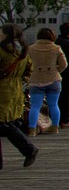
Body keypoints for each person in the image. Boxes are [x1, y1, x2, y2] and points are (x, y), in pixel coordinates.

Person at [1, 24, 38, 168]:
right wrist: (18, 79)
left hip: (2, 89)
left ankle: (28, 148)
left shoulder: (3, 50)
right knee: (5, 121)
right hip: (15, 89)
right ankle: (28, 149)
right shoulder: (22, 50)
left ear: (6, 34)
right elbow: (30, 69)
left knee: (3, 123)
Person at [27, 27, 68, 135]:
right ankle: (55, 127)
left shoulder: (31, 49)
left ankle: (32, 129)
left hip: (36, 79)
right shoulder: (56, 48)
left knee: (35, 106)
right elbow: (64, 64)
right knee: (53, 105)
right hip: (54, 79)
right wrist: (56, 70)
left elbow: (26, 64)